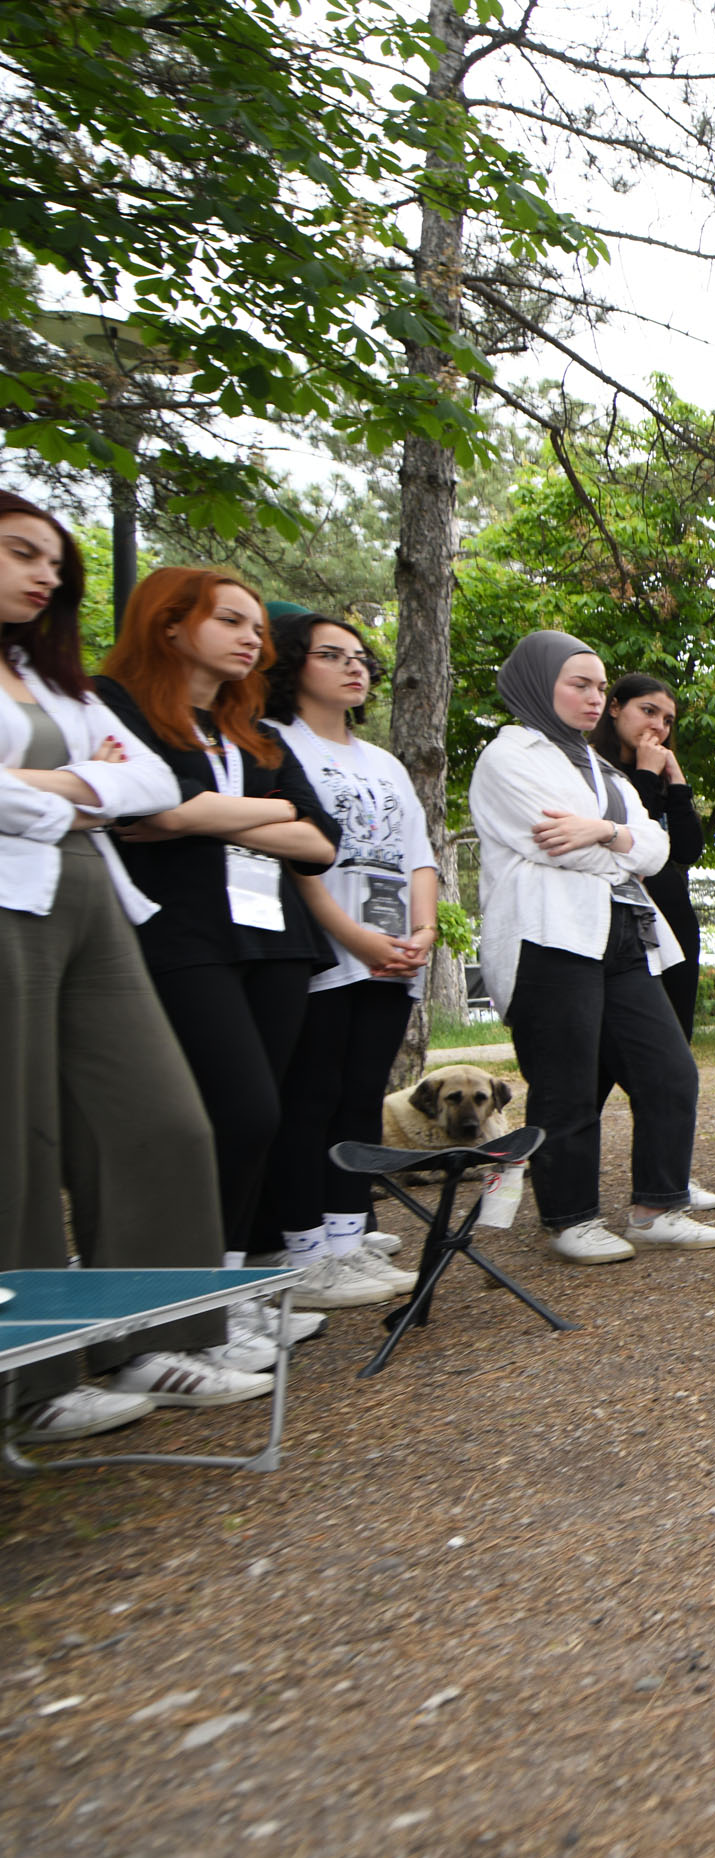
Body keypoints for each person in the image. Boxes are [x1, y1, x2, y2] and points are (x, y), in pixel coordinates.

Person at [94, 568, 386, 1340]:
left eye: (256, 626)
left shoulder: (252, 732)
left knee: (257, 1119)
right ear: (168, 624)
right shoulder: (117, 706)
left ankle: (227, 1290)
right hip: (180, 934)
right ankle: (183, 1302)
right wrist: (266, 810)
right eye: (230, 620)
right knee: (233, 1110)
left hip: (274, 942)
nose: (251, 638)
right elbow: (139, 809)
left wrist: (202, 815)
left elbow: (320, 842)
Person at [0, 494, 234, 1441]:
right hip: (12, 899)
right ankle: (32, 1379)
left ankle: (149, 1338)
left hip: (90, 899)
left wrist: (46, 792)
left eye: (55, 561)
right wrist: (79, 794)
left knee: (163, 1121)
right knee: (20, 1144)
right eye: (22, 553)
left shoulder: (53, 681)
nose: (47, 574)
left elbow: (151, 781)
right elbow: (111, 789)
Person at [470, 632, 715, 1264]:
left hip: (621, 933)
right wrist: (617, 843)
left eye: (598, 685)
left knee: (669, 1068)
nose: (593, 698)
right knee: (566, 1081)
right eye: (578, 684)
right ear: (538, 683)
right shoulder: (508, 758)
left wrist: (607, 831)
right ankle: (570, 1217)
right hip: (547, 936)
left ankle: (657, 1206)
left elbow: (658, 848)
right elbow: (551, 841)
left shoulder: (601, 769)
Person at [260, 603, 439, 1329]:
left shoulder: (385, 762)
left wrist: (421, 931)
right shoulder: (274, 744)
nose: (354, 665)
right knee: (312, 1094)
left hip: (395, 952)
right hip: (323, 944)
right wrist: (348, 935)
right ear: (292, 664)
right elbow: (295, 854)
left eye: (360, 655)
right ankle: (303, 1253)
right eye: (332, 654)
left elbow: (418, 855)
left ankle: (348, 1234)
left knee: (362, 1093)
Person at [594, 671, 715, 1214]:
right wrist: (645, 775)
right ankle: (558, 1171)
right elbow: (624, 838)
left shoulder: (660, 771)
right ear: (614, 707)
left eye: (667, 719)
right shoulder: (593, 770)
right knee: (597, 1062)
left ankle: (669, 1175)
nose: (659, 727)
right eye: (649, 712)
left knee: (674, 1052)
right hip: (610, 926)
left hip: (670, 922)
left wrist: (678, 779)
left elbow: (687, 849)